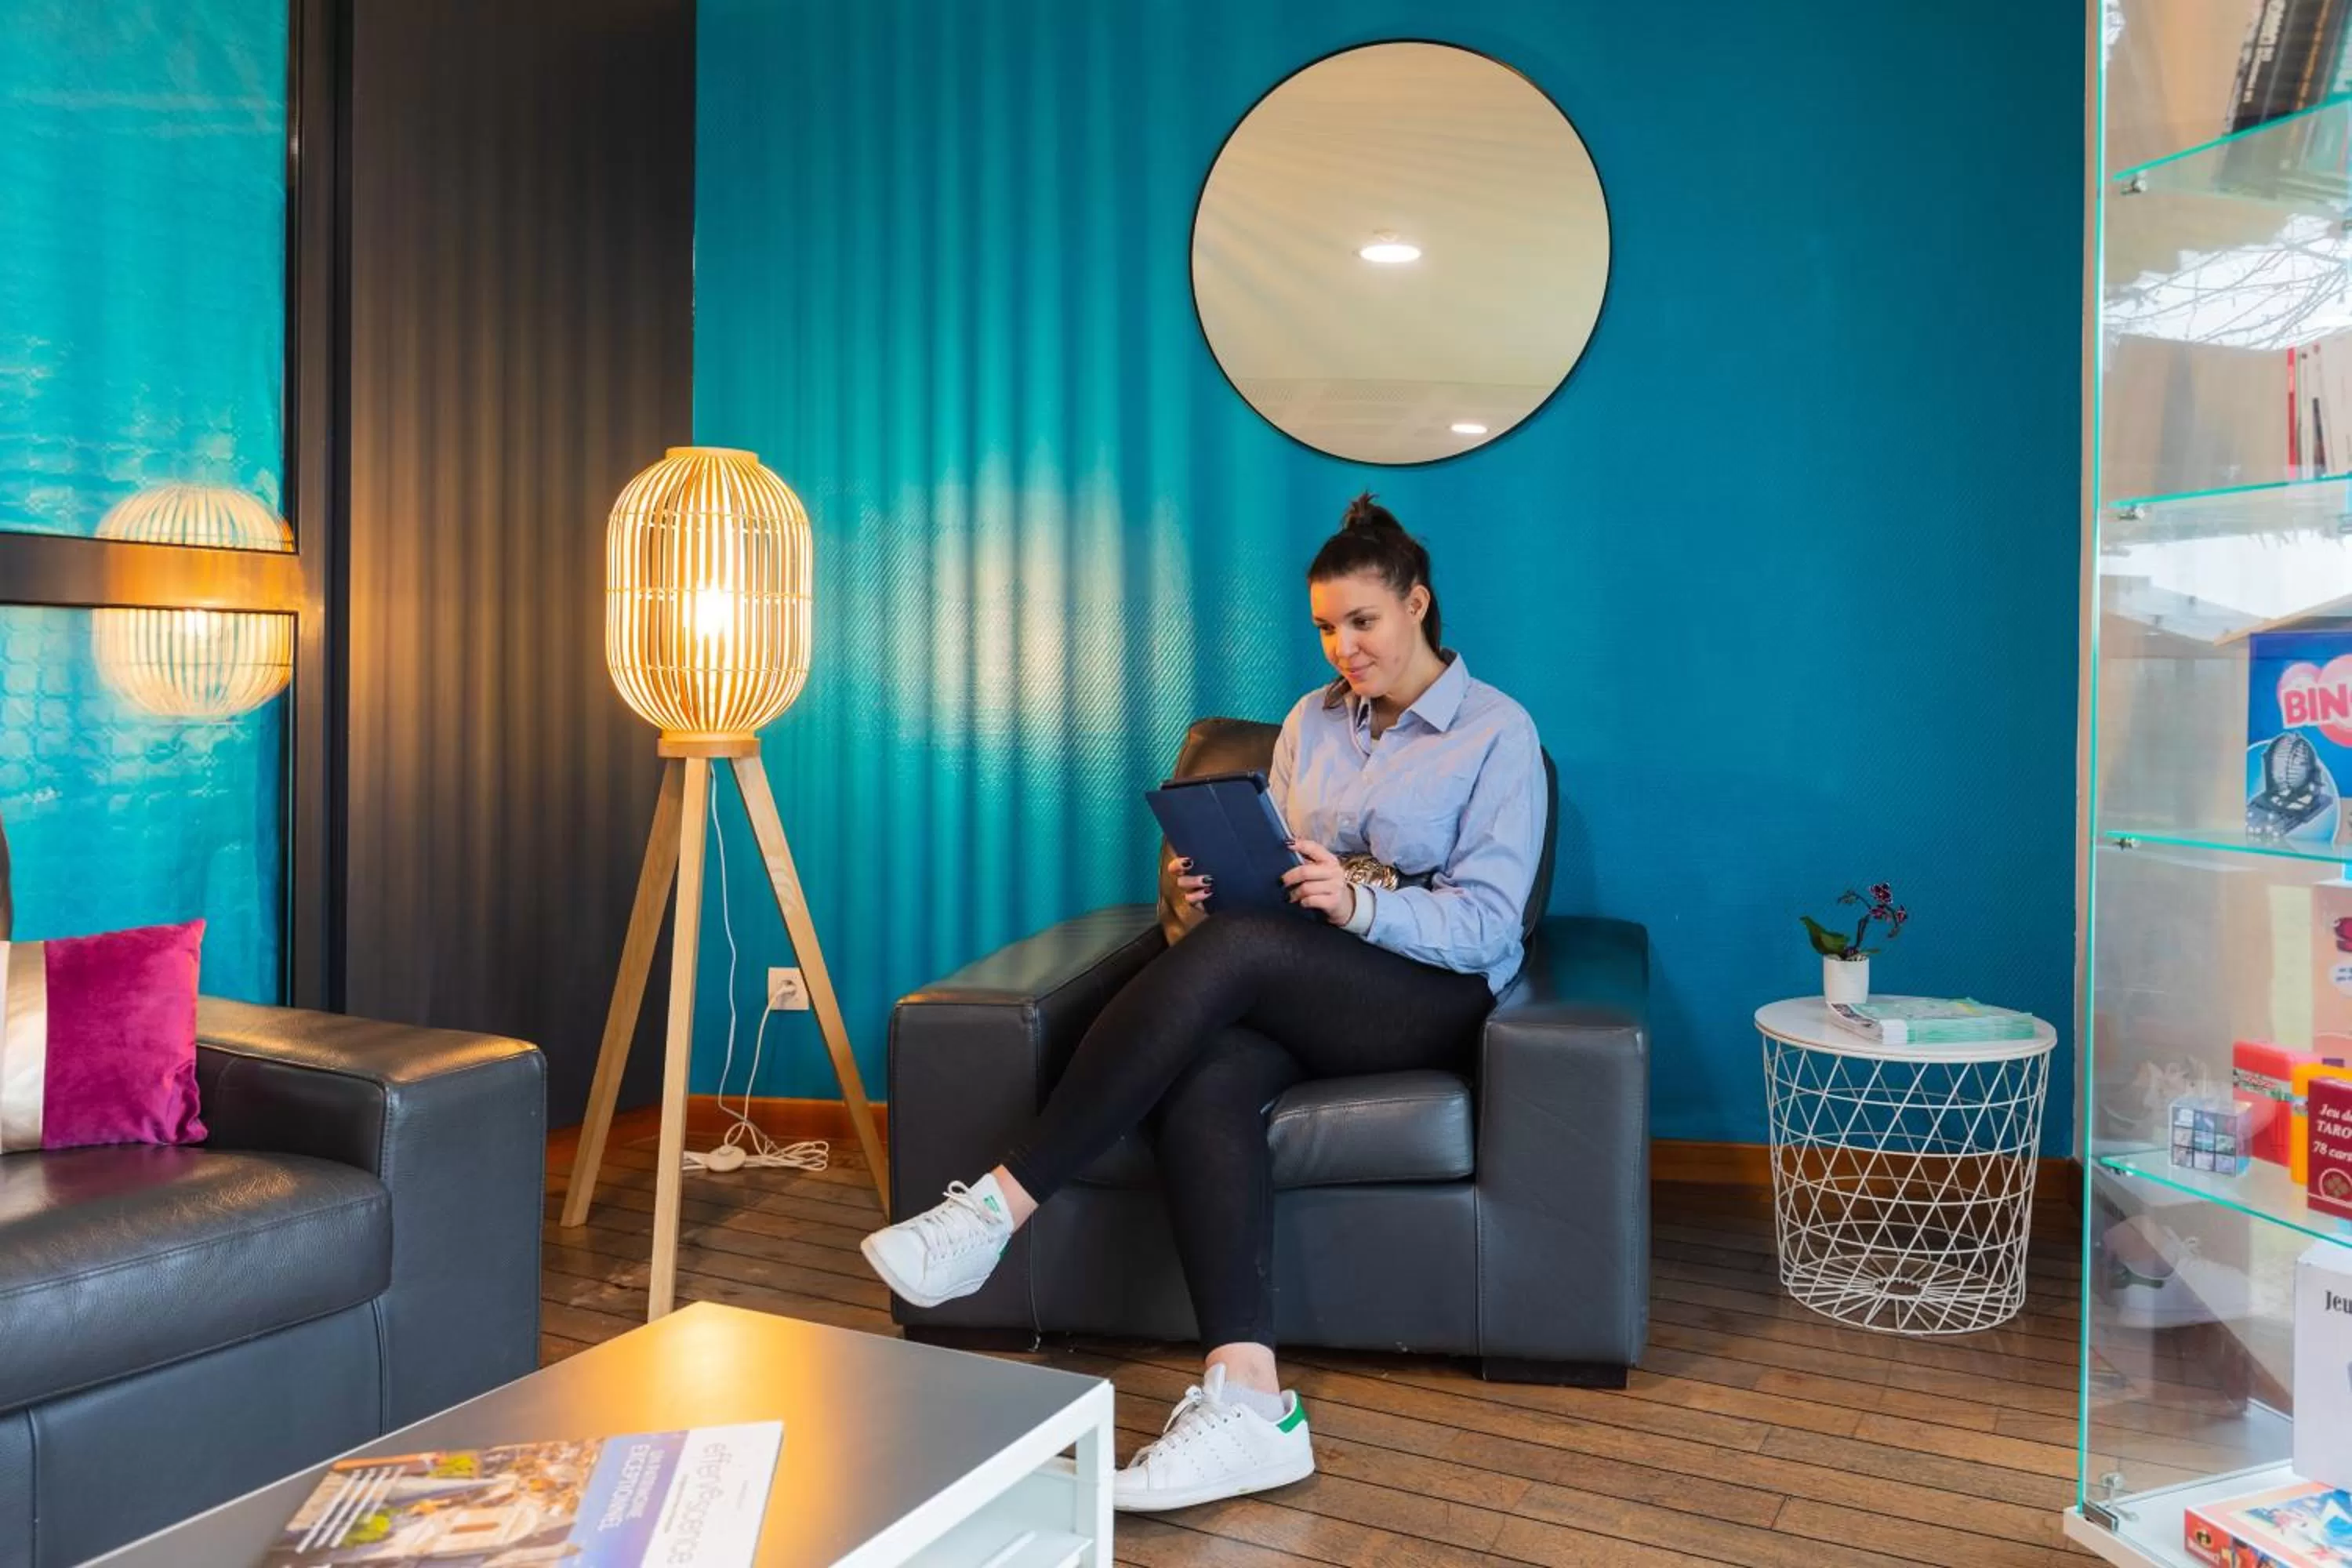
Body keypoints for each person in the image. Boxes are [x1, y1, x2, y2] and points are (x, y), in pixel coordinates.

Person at [858, 492, 1547, 1512]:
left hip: (1424, 993)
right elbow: (1277, 875)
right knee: (1207, 1074)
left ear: (1417, 603)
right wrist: (1215, 883)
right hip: (1297, 975)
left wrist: (1357, 903)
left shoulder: (1497, 732)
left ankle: (997, 1208)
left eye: (1363, 621)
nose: (1344, 648)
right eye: (1326, 627)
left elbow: (1491, 925)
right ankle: (1250, 1403)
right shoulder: (1311, 723)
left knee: (1244, 957)